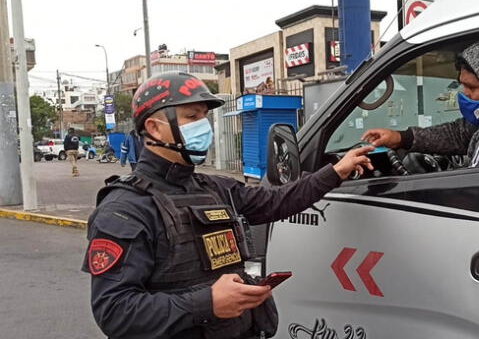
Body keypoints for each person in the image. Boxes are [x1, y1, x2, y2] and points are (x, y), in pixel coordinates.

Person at [81, 71, 373, 339]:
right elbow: (114, 311)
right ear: (155, 128)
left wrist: (335, 172)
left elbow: (276, 201)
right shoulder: (126, 208)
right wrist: (206, 303)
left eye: (204, 117)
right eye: (191, 116)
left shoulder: (212, 188)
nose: (203, 126)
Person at [362, 36, 479, 169]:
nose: (464, 94)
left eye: (472, 88)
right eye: (463, 86)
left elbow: (472, 195)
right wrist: (401, 138)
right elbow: (460, 134)